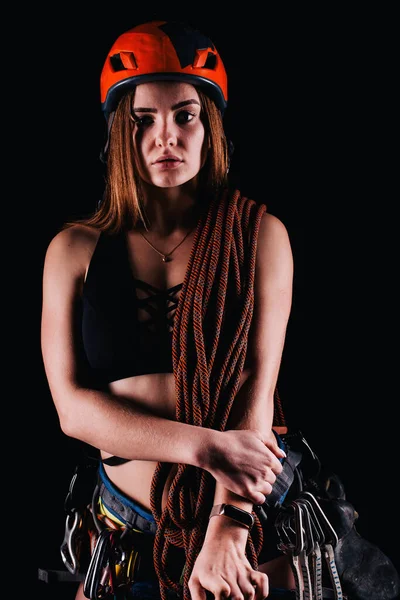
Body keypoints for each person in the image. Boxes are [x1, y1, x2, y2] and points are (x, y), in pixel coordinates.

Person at [41, 20, 296, 600]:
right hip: (121, 526)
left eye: (185, 116)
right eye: (144, 121)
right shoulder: (74, 250)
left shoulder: (259, 236)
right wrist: (205, 447)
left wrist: (230, 526)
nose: (165, 138)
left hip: (244, 517)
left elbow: (257, 392)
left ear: (211, 128)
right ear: (117, 134)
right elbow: (73, 410)